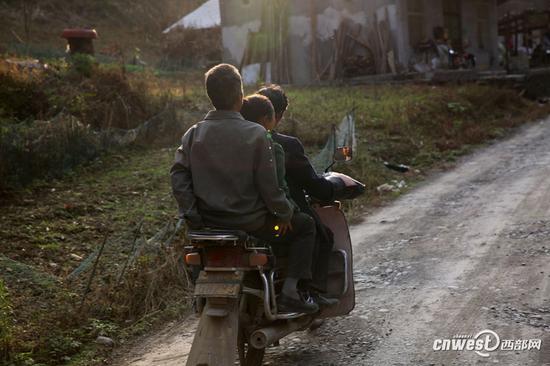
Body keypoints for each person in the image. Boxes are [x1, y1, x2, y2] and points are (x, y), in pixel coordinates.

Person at [170, 64, 318, 314]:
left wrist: (193, 217)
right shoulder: (257, 134)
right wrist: (284, 214)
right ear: (240, 98)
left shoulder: (193, 135)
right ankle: (291, 291)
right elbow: (271, 188)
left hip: (208, 224)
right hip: (252, 222)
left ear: (210, 96)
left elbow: (178, 177)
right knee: (306, 227)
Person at [258, 85, 340, 307]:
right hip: (277, 212)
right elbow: (307, 184)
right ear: (278, 115)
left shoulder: (236, 143)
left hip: (242, 213)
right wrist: (331, 190)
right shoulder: (284, 145)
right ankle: (305, 291)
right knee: (320, 233)